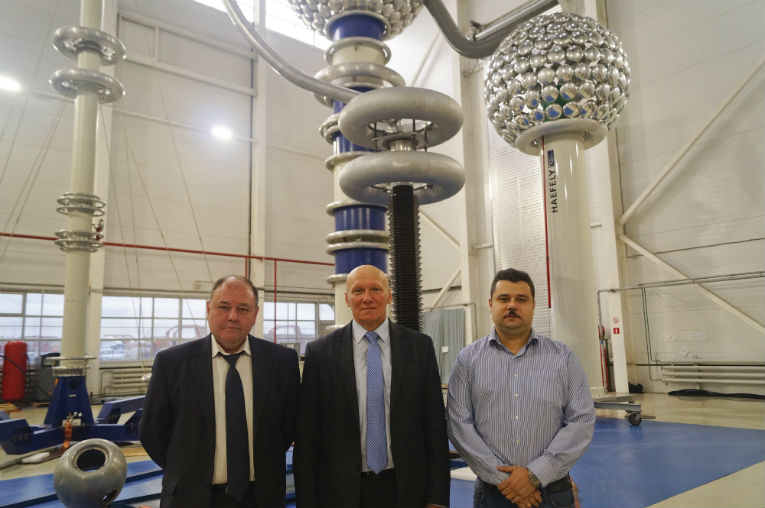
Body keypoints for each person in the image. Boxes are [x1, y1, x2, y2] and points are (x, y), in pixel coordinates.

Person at [294, 265, 450, 508]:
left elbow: (435, 428)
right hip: (341, 493)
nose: (367, 298)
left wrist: (437, 498)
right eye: (358, 291)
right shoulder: (320, 353)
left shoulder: (419, 348)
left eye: (375, 289)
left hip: (407, 490)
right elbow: (307, 437)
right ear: (347, 298)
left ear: (389, 295)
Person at [140, 275, 300, 508]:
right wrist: (186, 471)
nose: (233, 316)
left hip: (262, 497)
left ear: (255, 314)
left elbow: (288, 428)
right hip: (189, 497)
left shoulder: (282, 362)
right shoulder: (172, 363)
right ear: (208, 309)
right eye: (224, 307)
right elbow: (153, 432)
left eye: (243, 309)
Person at [447, 268, 595, 508]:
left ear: (533, 305)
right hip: (493, 496)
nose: (512, 305)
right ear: (491, 304)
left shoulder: (563, 358)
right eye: (504, 299)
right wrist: (505, 481)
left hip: (552, 495)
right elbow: (459, 425)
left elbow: (581, 421)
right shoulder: (468, 360)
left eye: (521, 299)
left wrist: (535, 474)